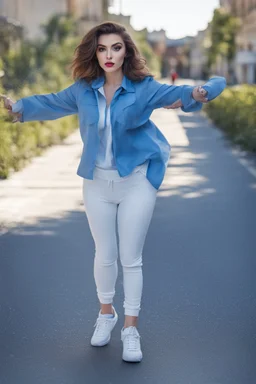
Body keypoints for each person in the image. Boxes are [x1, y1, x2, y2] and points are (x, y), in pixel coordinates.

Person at [1, 21, 226, 363]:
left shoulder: (143, 88)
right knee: (104, 254)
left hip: (136, 181)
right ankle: (106, 314)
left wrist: (200, 93)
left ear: (127, 51)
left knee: (130, 258)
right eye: (103, 48)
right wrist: (19, 108)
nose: (109, 55)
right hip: (96, 183)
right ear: (95, 52)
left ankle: (130, 330)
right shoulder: (83, 89)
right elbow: (51, 102)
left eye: (116, 48)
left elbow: (183, 94)